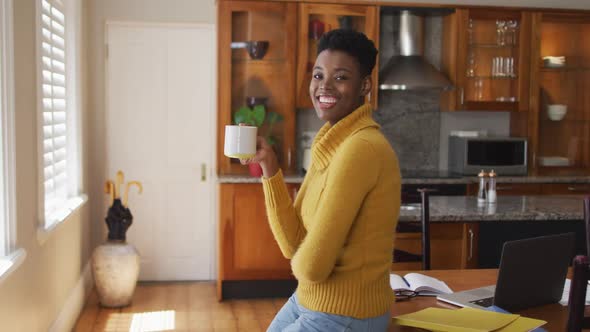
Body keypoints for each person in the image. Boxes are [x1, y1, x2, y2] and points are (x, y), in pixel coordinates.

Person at [242, 29, 401, 331]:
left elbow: (312, 266)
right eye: (318, 75)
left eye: (340, 77)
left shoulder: (361, 148)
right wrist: (270, 169)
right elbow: (294, 245)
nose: (324, 86)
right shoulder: (330, 141)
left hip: (347, 312)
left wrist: (305, 257)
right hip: (310, 299)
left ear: (364, 85)